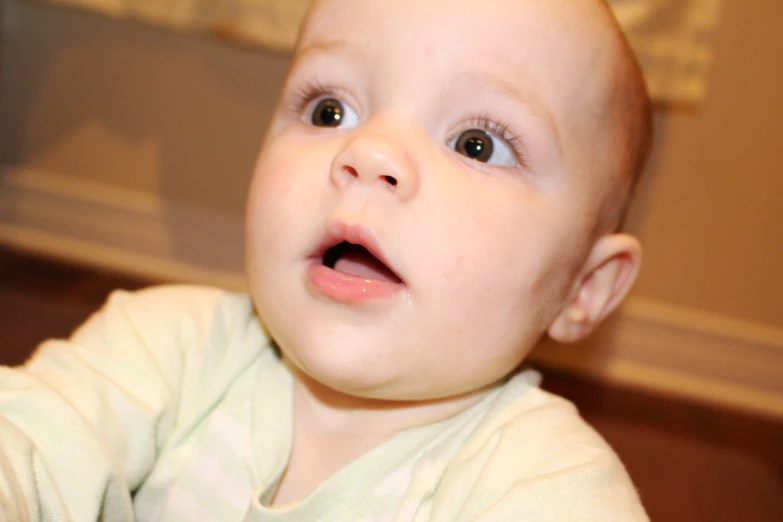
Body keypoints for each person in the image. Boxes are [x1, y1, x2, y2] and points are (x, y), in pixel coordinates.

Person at [0, 0, 653, 519]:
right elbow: (27, 443)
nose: (369, 152)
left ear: (582, 288)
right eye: (329, 109)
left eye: (476, 144)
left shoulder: (546, 483)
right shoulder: (162, 345)